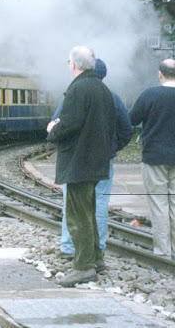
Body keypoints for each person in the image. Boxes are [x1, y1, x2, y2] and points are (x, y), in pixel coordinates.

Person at [46, 46, 115, 287]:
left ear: (74, 64)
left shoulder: (78, 89)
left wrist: (52, 129)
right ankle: (96, 259)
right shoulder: (102, 88)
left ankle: (83, 266)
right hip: (95, 161)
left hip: (79, 161)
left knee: (77, 215)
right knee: (88, 211)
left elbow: (69, 125)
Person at [55, 59, 133, 259]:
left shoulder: (74, 93)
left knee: (71, 203)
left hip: (77, 160)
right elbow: (126, 129)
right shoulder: (112, 96)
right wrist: (111, 149)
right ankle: (98, 248)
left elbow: (58, 124)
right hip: (103, 160)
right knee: (99, 203)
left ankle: (69, 247)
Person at [129, 58, 175, 259]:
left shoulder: (150, 94)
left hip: (154, 157)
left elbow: (131, 119)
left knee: (159, 204)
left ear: (160, 74)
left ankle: (163, 252)